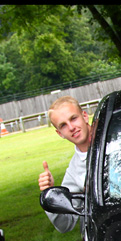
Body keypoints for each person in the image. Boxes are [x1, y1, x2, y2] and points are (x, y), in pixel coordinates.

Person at [38, 96, 92, 233]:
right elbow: (65, 225)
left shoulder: (116, 137)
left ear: (84, 116)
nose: (71, 127)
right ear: (59, 133)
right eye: (63, 125)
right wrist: (50, 192)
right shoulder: (73, 172)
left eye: (73, 118)